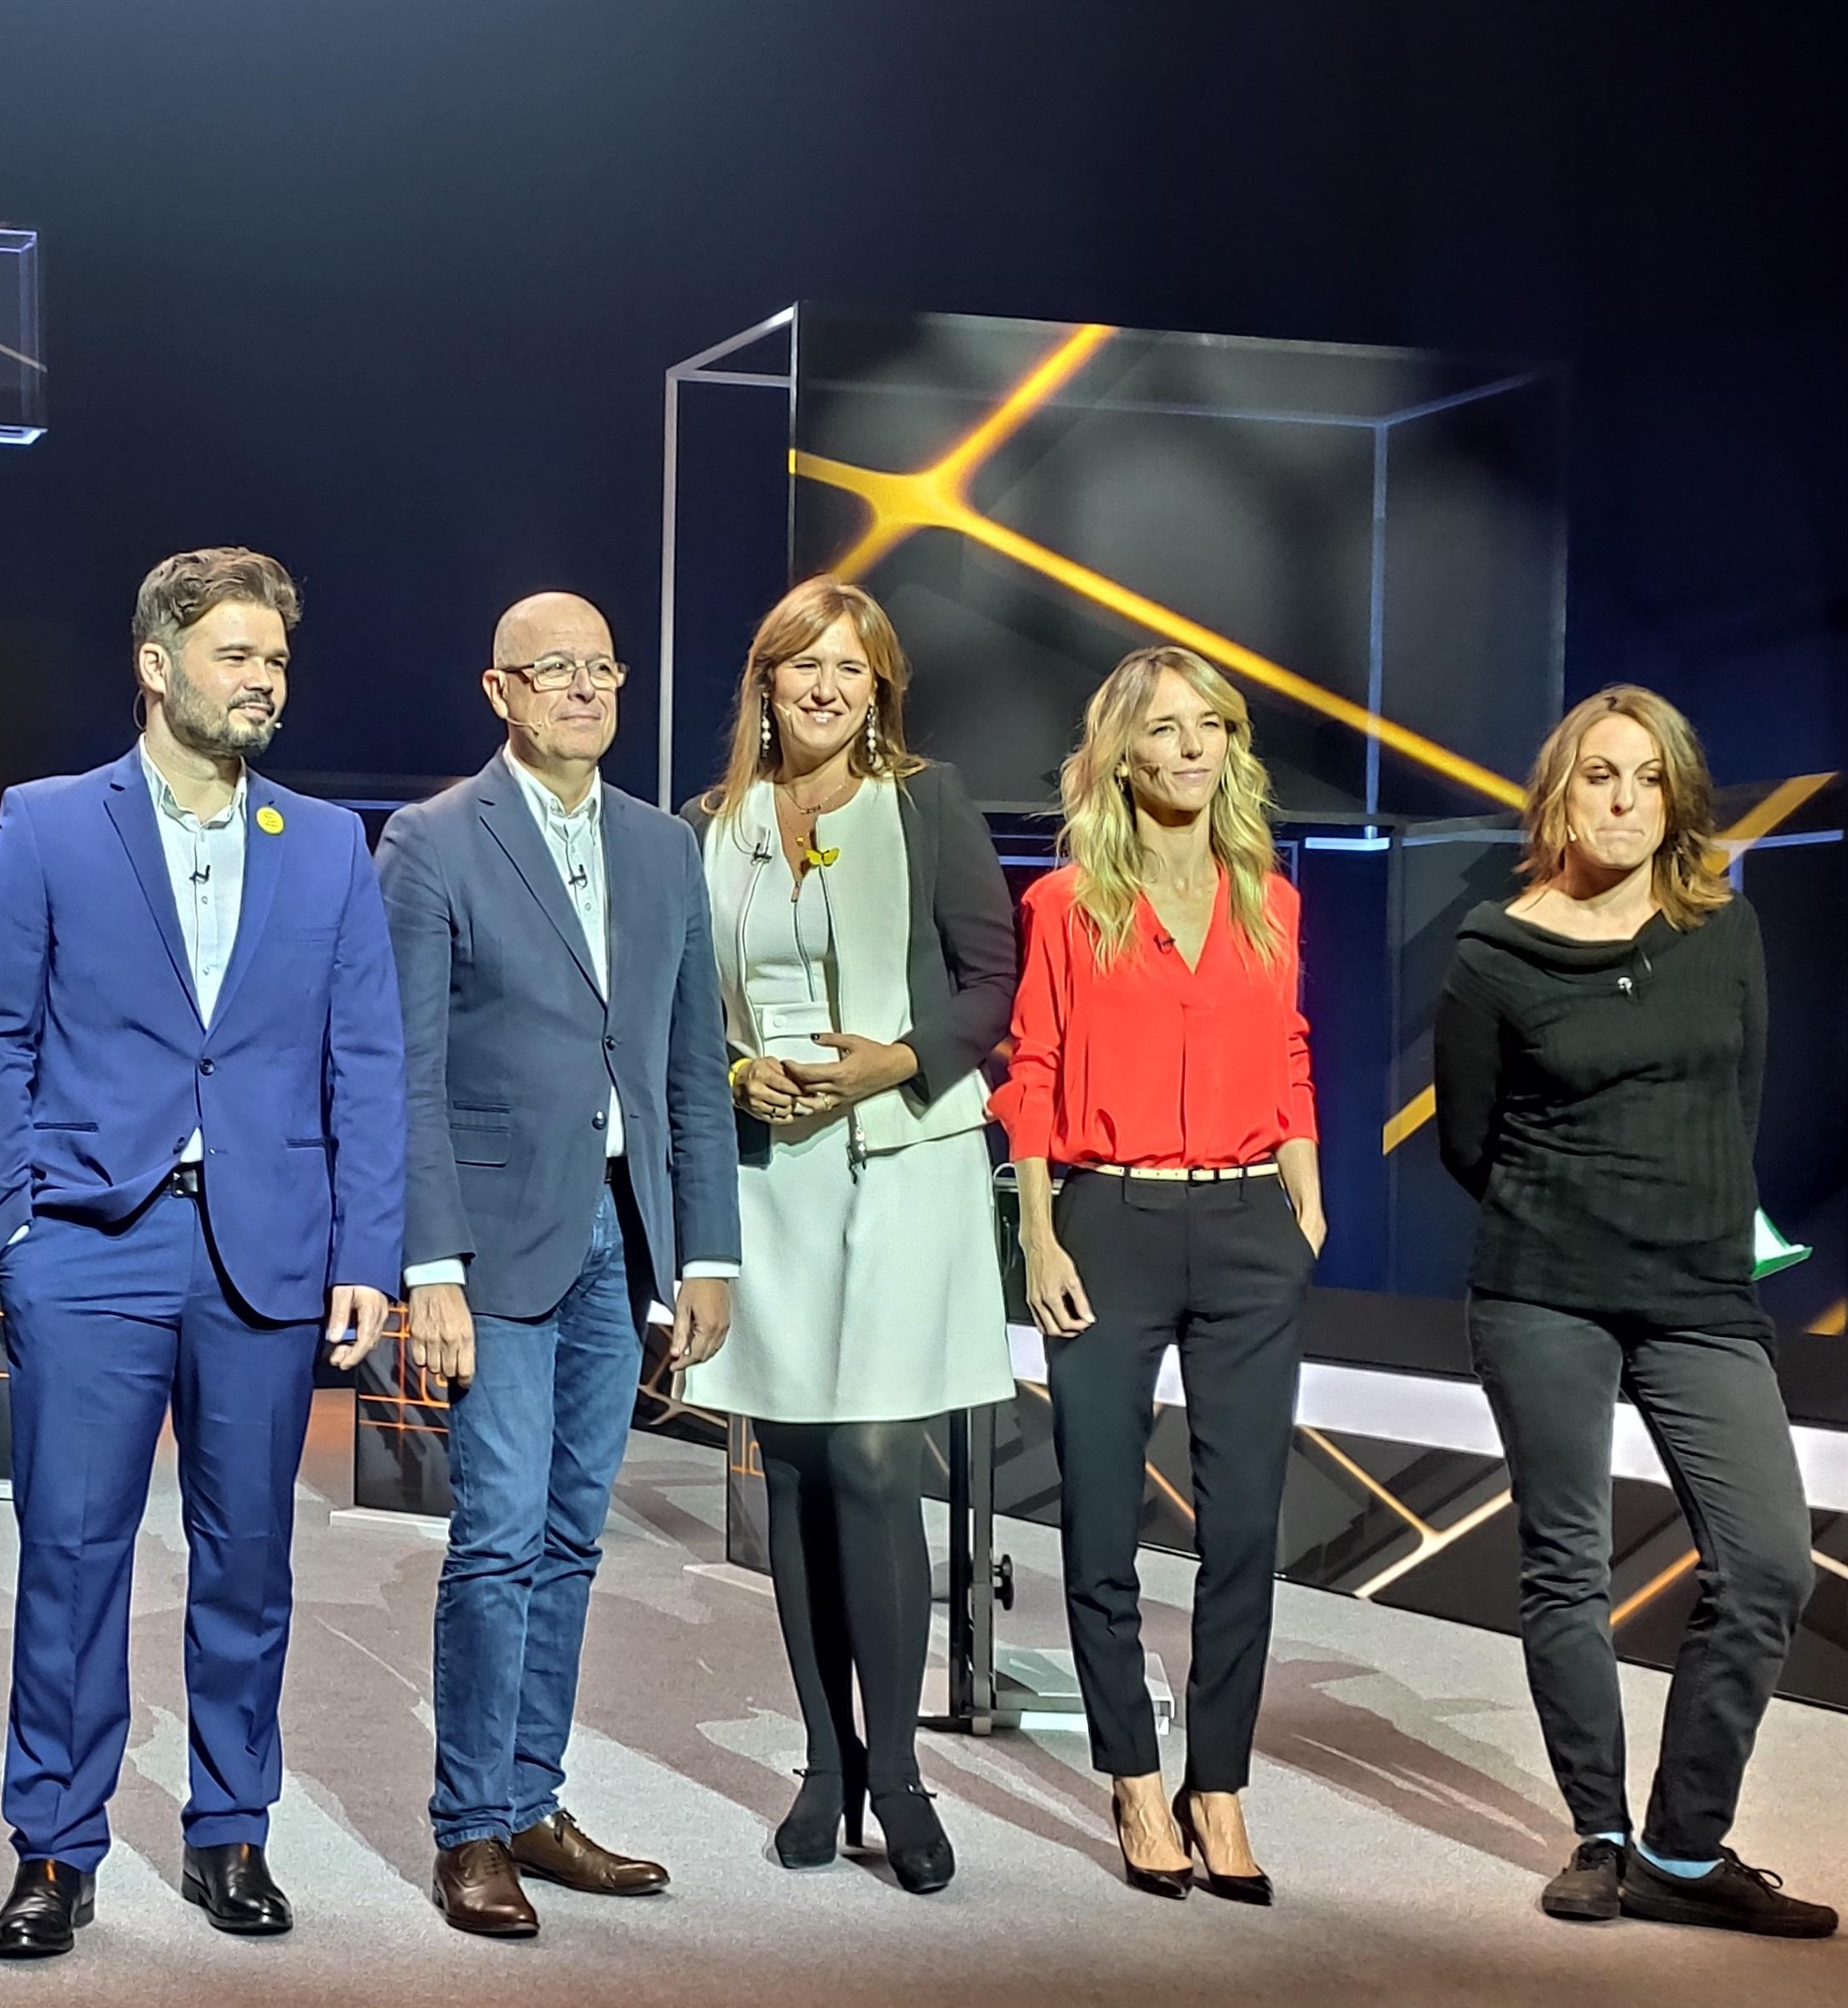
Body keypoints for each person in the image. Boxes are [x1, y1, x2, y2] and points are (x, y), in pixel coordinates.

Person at [0, 547, 403, 1958]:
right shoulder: (46, 823)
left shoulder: (326, 843)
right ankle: (56, 1846)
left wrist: (368, 1254)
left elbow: (367, 1062)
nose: (264, 679)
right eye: (235, 655)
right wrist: (11, 1229)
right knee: (74, 1552)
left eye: (276, 659)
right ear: (157, 667)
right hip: (88, 1240)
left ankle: (230, 1833)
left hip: (266, 1249)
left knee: (248, 1557)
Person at [1437, 686, 1831, 1939]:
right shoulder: (1495, 954)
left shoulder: (1727, 933)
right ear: (1562, 794)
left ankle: (1682, 1845)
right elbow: (1467, 1141)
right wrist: (1578, 1212)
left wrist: (1678, 1221)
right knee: (1566, 1564)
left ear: (1678, 798)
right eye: (1600, 776)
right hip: (1545, 1291)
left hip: (1700, 1296)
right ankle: (1600, 1834)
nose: (1623, 801)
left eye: (1647, 779)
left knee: (1766, 1559)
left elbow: (1736, 1100)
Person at [375, 593, 736, 1939]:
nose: (582, 690)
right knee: (500, 1534)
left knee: (576, 1536)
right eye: (553, 671)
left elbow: (689, 1062)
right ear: (501, 691)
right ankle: (470, 1826)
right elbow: (405, 1072)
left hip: (623, 1232)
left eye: (601, 669)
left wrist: (708, 1250)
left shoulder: (660, 847)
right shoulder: (431, 843)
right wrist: (429, 1264)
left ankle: (534, 1798)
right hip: (494, 1238)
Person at [675, 577, 1017, 1895]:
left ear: (880, 691)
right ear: (765, 681)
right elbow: (681, 1003)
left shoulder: (926, 803)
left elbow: (993, 977)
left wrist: (902, 1062)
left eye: (852, 670)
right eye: (803, 665)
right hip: (775, 1181)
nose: (826, 686)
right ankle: (826, 1762)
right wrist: (728, 1069)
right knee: (803, 1473)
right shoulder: (714, 824)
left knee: (878, 1458)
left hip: (908, 1162)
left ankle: (902, 1778)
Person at [994, 645, 1320, 1905]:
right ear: (1122, 754)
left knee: (1242, 1528)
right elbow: (1031, 1072)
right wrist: (1036, 1232)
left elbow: (1288, 1045)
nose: (1191, 749)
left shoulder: (1268, 897)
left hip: (1249, 1229)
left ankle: (1219, 1781)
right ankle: (1134, 1773)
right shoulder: (1067, 906)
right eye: (1166, 730)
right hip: (1108, 1222)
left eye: (1211, 729)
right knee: (1097, 1520)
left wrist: (1305, 1180)